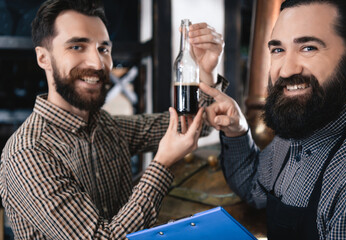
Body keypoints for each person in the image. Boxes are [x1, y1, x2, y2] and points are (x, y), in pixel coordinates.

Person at [0, 0, 226, 239]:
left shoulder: (105, 126)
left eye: (103, 49)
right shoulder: (28, 153)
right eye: (77, 47)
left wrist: (206, 70)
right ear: (43, 58)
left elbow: (190, 126)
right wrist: (162, 165)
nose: (97, 63)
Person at [200, 0, 346, 239]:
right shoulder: (305, 121)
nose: (286, 71)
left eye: (308, 48)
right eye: (278, 50)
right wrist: (237, 131)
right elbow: (255, 188)